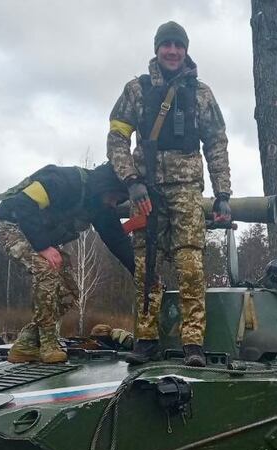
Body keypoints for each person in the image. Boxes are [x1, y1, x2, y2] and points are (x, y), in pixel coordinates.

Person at [107, 20, 232, 367]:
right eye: (167, 45)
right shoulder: (136, 90)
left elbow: (217, 144)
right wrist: (131, 180)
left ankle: (193, 343)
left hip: (186, 188)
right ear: (157, 48)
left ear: (186, 50)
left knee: (190, 264)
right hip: (145, 190)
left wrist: (222, 193)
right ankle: (146, 339)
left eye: (178, 45)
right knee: (145, 265)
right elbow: (116, 138)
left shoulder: (202, 93)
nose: (173, 51)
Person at [0, 161, 134, 364]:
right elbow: (24, 203)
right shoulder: (64, 181)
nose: (114, 204)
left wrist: (141, 272)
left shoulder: (99, 207)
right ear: (107, 187)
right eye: (115, 197)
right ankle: (48, 344)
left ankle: (27, 342)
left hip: (37, 237)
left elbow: (118, 241)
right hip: (11, 226)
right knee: (46, 268)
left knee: (69, 291)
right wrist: (43, 247)